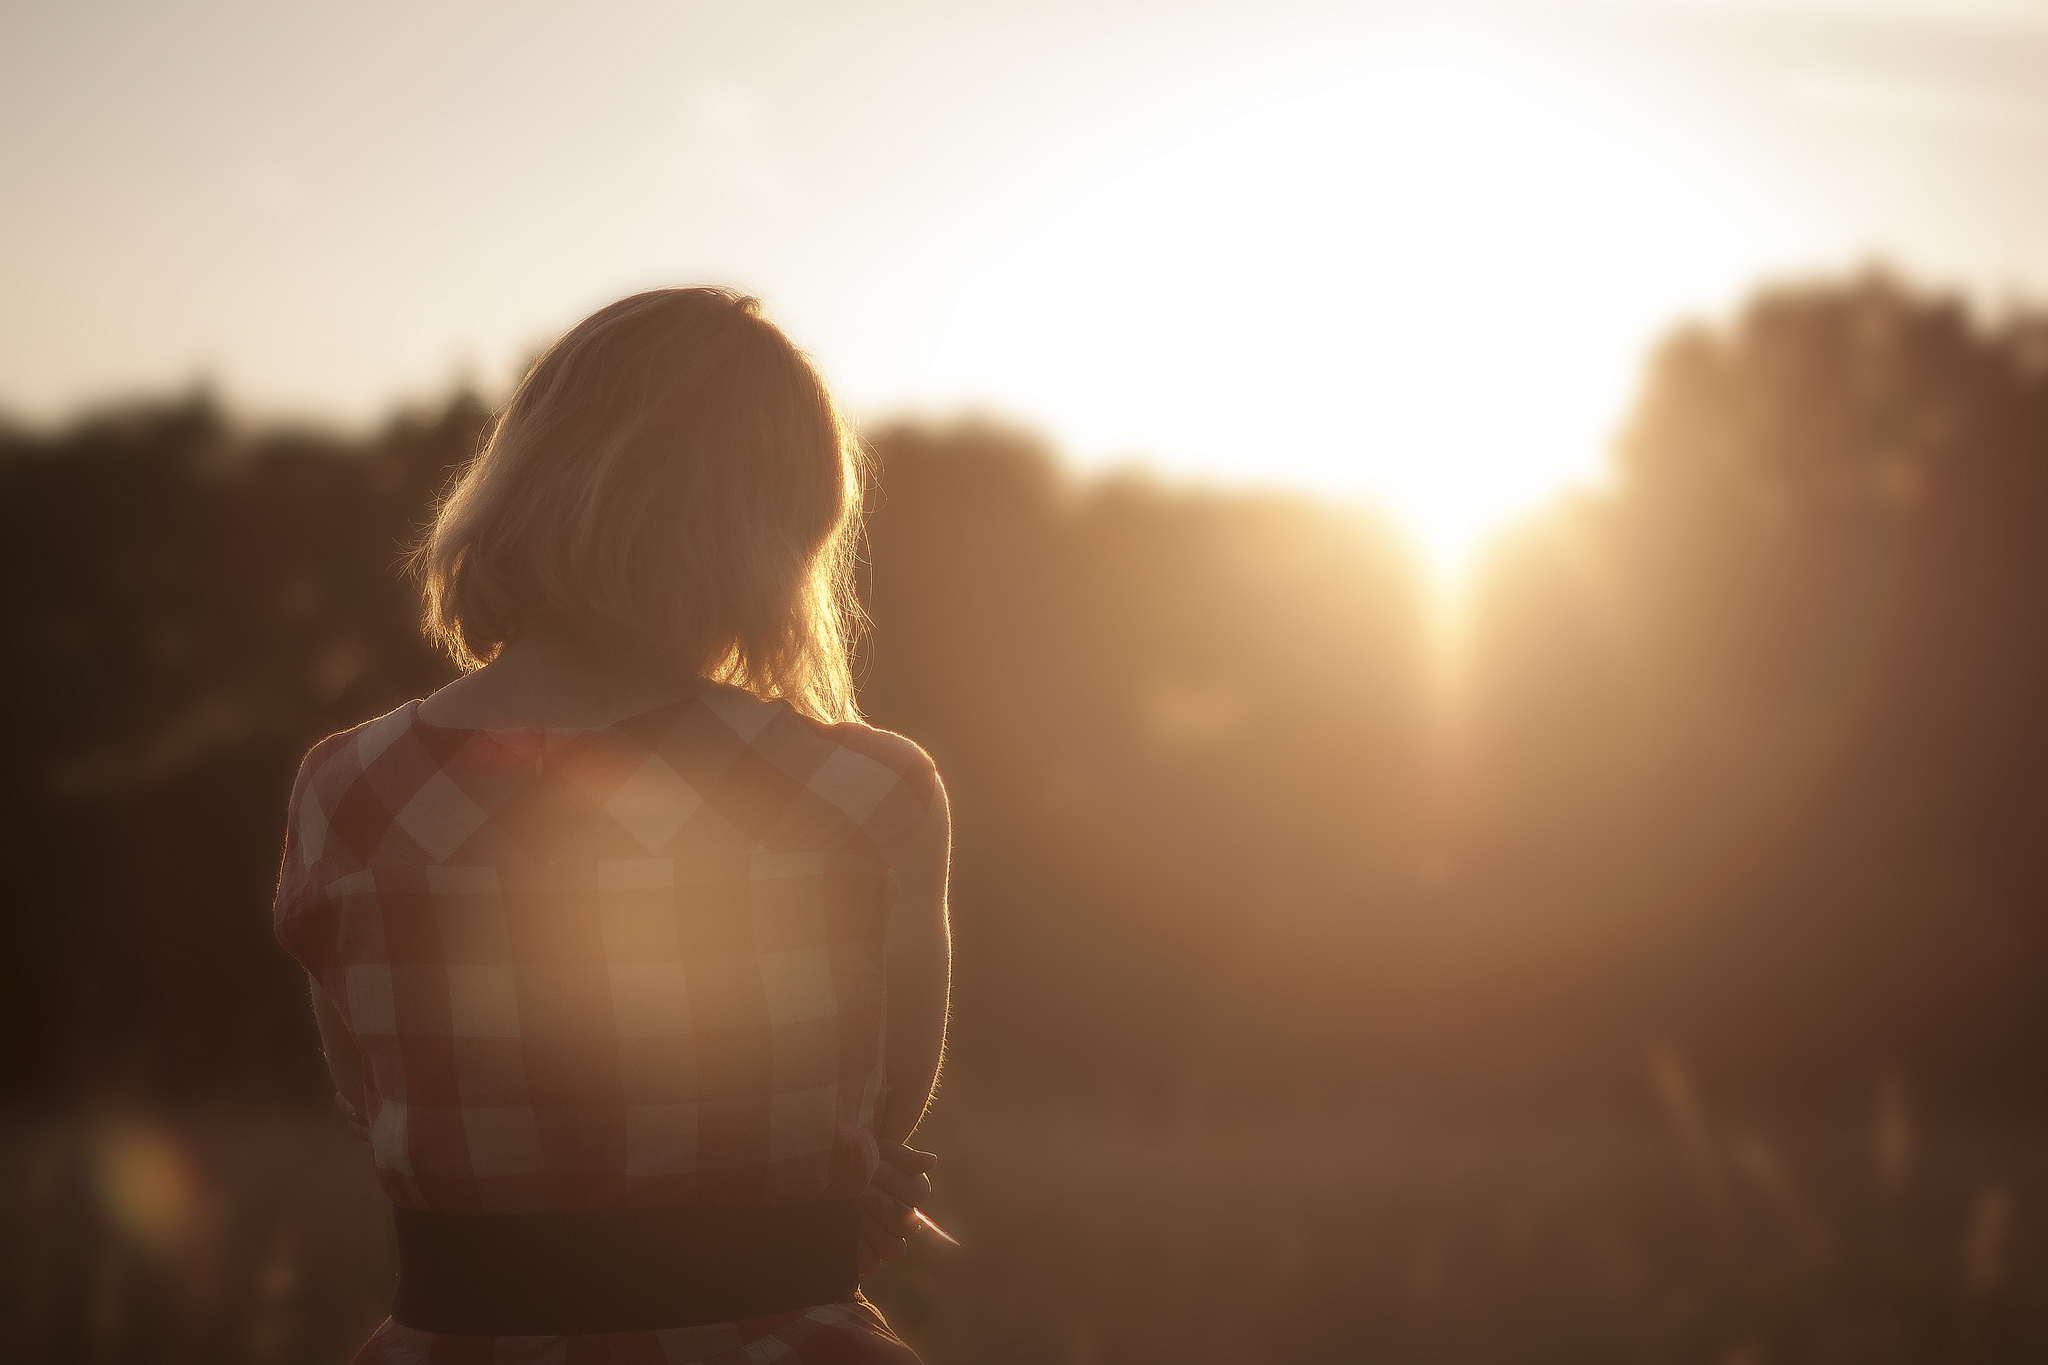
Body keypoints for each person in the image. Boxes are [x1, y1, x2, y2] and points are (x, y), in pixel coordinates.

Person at [271, 288, 951, 1364]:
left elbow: (379, 1106)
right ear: (776, 531)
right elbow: (879, 1116)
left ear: (527, 476)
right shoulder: (865, 794)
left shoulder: (346, 790)